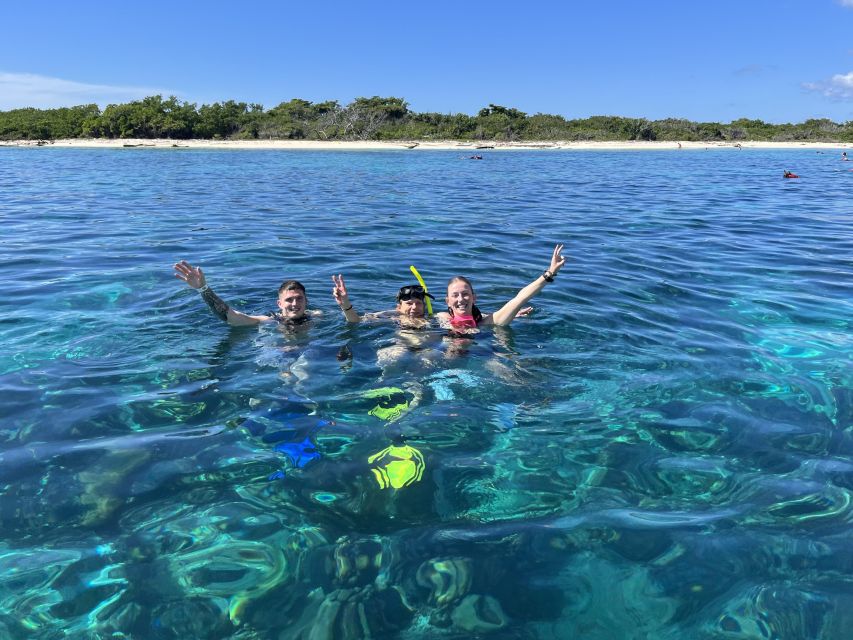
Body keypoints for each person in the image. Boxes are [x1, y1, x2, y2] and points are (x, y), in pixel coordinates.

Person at [436, 244, 565, 330]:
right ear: (447, 301)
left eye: (465, 294)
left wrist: (550, 273)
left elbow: (520, 298)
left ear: (474, 298)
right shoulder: (441, 318)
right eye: (455, 295)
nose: (460, 299)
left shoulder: (488, 322)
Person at [174, 260, 317, 326]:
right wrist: (203, 289)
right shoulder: (270, 321)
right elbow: (228, 316)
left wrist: (341, 305)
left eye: (299, 298)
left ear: (306, 301)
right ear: (279, 303)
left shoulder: (316, 316)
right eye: (289, 300)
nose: (295, 303)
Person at [331, 275, 434, 329]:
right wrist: (345, 304)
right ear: (398, 307)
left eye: (419, 303)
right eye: (409, 303)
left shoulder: (436, 318)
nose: (415, 307)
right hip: (402, 345)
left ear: (424, 306)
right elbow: (357, 321)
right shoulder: (392, 317)